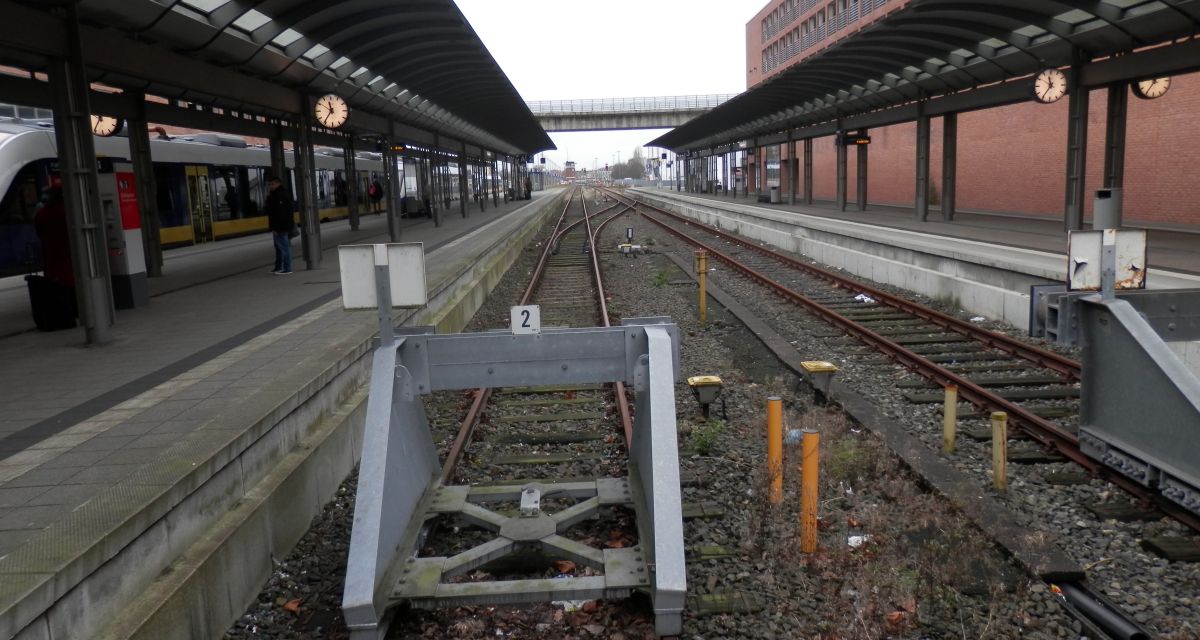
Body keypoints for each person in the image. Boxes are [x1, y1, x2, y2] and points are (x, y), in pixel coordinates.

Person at [264, 175, 294, 275]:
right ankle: (279, 267)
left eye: (272, 184)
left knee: (284, 248)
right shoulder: (276, 195)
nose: (270, 186)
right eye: (269, 184)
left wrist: (275, 227)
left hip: (281, 227)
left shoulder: (280, 195)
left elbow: (279, 213)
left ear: (278, 183)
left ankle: (287, 268)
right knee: (279, 247)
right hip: (280, 226)